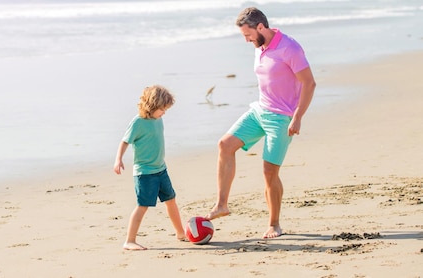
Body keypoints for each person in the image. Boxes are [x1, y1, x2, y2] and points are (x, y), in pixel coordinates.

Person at [204, 7, 316, 239]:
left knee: (269, 171)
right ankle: (222, 204)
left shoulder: (290, 48)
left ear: (261, 27)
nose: (246, 40)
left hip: (282, 118)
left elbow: (309, 83)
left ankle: (274, 224)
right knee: (225, 145)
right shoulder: (261, 46)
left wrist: (297, 116)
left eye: (248, 35)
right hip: (259, 111)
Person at [114, 85, 187, 250]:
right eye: (162, 109)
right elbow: (125, 141)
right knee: (143, 205)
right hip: (145, 173)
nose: (164, 112)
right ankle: (130, 240)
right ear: (152, 106)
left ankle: (180, 232)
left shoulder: (158, 119)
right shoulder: (138, 122)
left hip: (161, 169)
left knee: (171, 200)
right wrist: (118, 159)